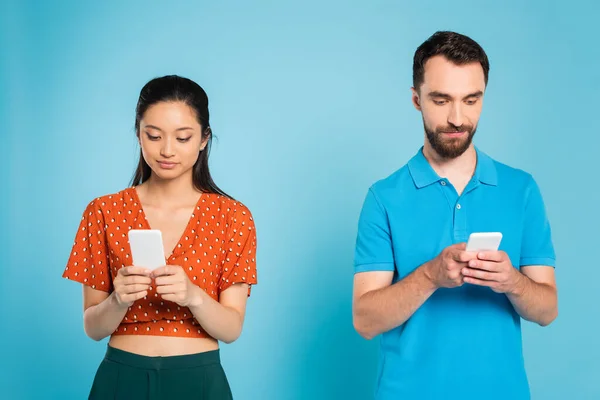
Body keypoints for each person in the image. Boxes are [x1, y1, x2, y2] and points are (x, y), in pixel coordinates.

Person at [352, 31, 557, 400]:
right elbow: (365, 321)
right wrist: (430, 275)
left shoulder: (521, 189)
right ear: (417, 99)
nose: (457, 118)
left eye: (471, 100)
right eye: (441, 100)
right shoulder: (383, 198)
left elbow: (546, 309)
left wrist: (511, 281)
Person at [63, 75, 257, 399]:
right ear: (139, 134)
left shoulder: (233, 217)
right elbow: (93, 327)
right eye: (154, 136)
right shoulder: (104, 211)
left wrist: (194, 296)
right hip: (121, 377)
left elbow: (232, 328)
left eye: (183, 138)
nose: (167, 151)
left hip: (199, 379)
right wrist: (118, 300)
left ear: (204, 139)